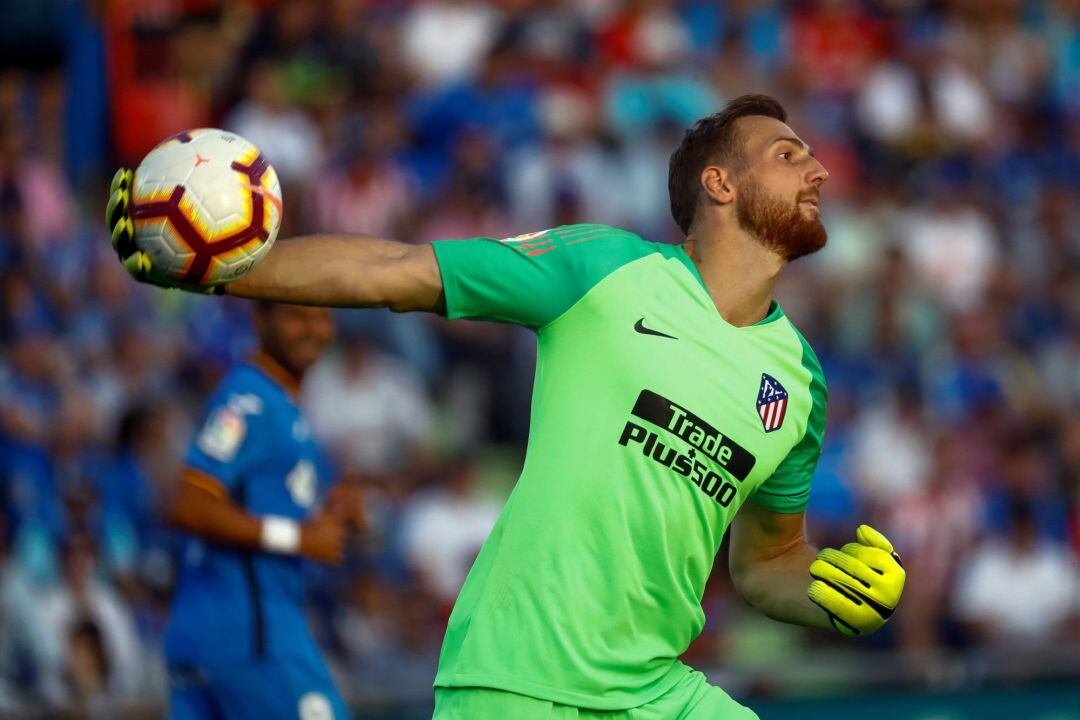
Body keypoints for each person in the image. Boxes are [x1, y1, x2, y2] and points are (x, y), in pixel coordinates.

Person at [107, 95, 905, 719]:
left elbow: (767, 563)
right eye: (788, 154)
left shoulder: (799, 380)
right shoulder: (605, 269)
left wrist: (834, 593)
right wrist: (213, 270)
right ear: (720, 183)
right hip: (517, 679)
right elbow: (394, 269)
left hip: (655, 691)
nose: (820, 170)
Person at [160, 302, 359, 720]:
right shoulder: (247, 400)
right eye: (296, 316)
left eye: (322, 317)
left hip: (214, 632)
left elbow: (270, 497)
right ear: (259, 321)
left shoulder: (283, 403)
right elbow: (189, 504)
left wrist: (337, 508)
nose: (312, 329)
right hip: (250, 635)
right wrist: (299, 538)